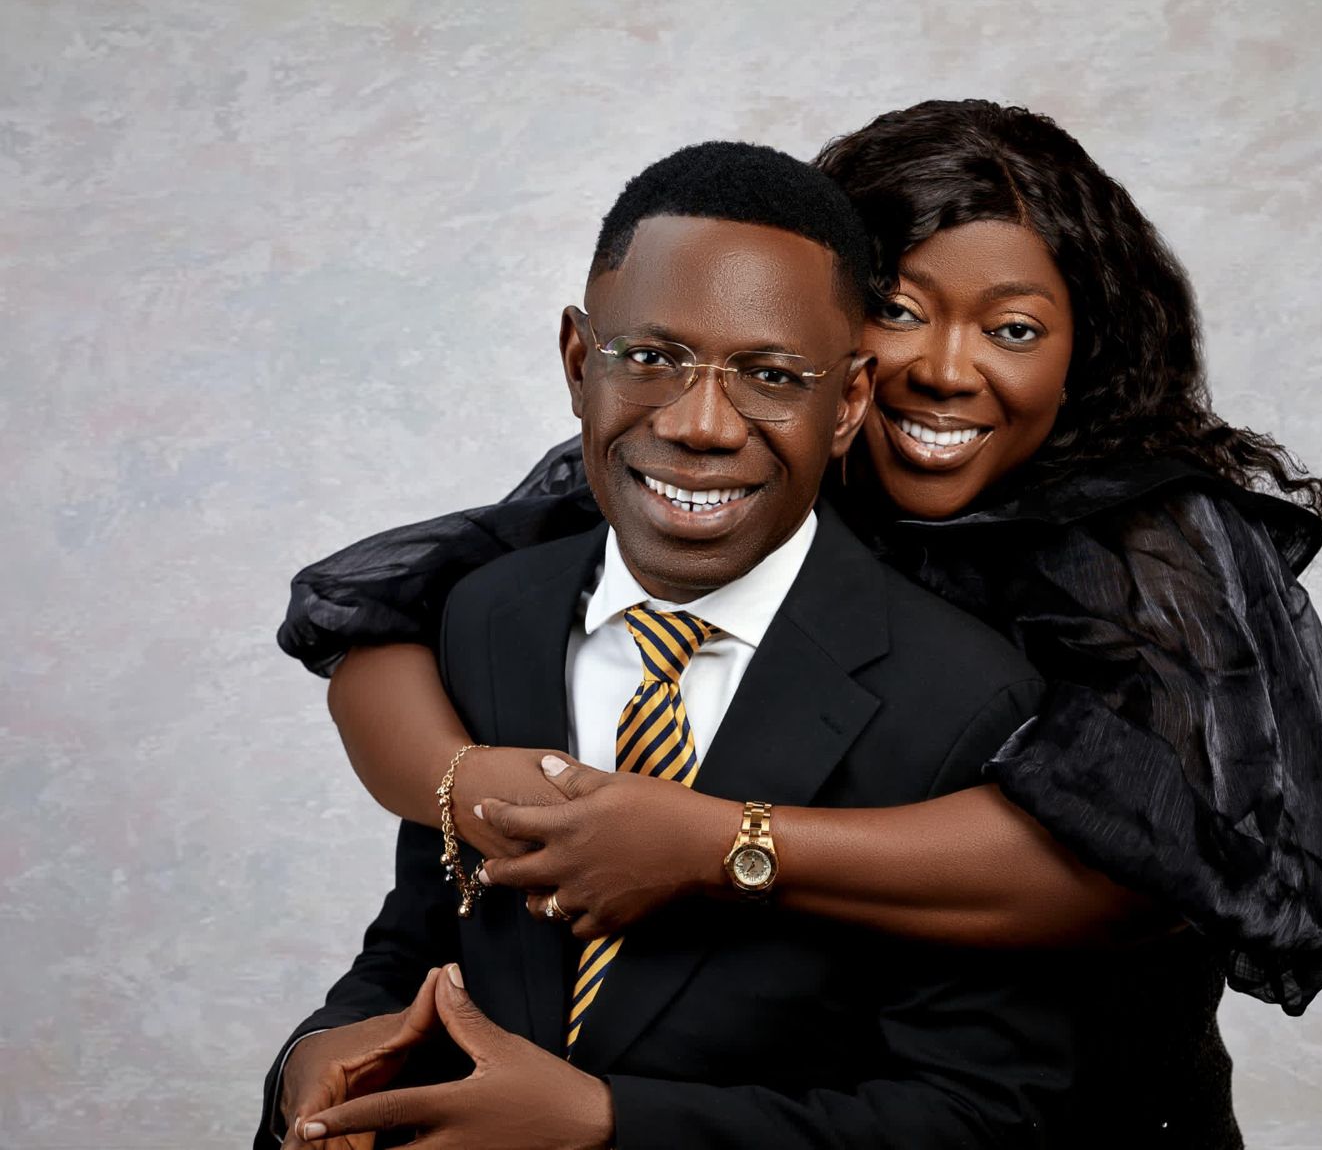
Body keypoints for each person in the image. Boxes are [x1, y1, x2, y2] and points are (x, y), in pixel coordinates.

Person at [279, 100, 1322, 1147]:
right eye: (899, 309)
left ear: (1084, 346)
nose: (944, 370)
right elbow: (401, 617)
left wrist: (720, 843)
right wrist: (465, 786)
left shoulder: (1153, 554)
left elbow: (1146, 868)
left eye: (1012, 326)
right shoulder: (726, 461)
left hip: (1095, 1098)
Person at [257, 141, 1078, 1150]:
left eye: (771, 374)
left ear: (850, 403)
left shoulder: (963, 700)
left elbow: (977, 1119)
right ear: (575, 362)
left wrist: (606, 1126)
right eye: (649, 358)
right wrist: (324, 1051)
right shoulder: (485, 621)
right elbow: (420, 942)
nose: (699, 425)